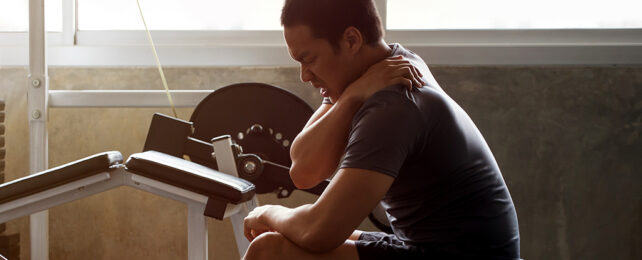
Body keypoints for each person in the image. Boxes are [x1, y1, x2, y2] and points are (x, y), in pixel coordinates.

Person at [242, 0, 520, 259]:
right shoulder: (379, 69)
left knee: (270, 251)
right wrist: (352, 97)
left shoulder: (393, 104)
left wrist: (268, 212)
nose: (304, 76)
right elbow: (304, 170)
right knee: (284, 234)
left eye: (309, 59)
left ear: (351, 40)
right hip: (426, 244)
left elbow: (319, 233)